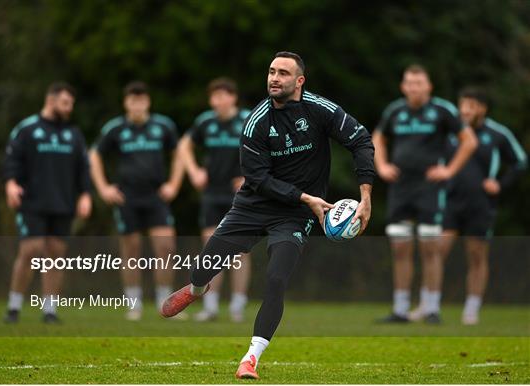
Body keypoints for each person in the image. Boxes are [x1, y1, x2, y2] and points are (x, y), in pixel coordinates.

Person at [160, 51, 376, 379]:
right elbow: (258, 180)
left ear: (299, 81)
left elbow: (360, 140)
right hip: (254, 204)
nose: (274, 78)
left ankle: (251, 357)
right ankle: (196, 290)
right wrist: (307, 197)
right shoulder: (257, 121)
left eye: (283, 73)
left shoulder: (320, 110)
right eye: (272, 72)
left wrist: (365, 196)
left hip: (295, 215)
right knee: (203, 268)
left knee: (276, 278)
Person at [372, 64, 477, 324]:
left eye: (419, 83)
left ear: (428, 86)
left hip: (429, 189)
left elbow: (469, 140)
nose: (414, 87)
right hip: (400, 188)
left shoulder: (442, 110)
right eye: (410, 83)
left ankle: (431, 308)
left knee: (431, 249)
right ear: (403, 86)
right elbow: (377, 137)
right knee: (400, 249)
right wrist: (382, 166)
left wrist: (449, 170)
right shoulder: (395, 111)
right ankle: (400, 309)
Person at [90, 81, 183, 321]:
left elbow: (179, 154)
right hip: (127, 197)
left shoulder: (163, 126)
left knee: (165, 247)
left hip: (156, 196)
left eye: (141, 100)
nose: (137, 104)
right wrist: (103, 188)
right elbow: (94, 155)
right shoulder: (116, 128)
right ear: (126, 103)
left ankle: (166, 302)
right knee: (131, 249)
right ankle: (134, 303)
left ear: (148, 102)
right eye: (133, 100)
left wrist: (173, 183)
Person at [3, 82, 92, 324]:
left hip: (63, 203)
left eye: (71, 103)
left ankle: (49, 310)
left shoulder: (73, 134)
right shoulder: (27, 129)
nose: (69, 108)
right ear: (51, 100)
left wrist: (85, 194)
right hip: (32, 202)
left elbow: (83, 168)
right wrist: (10, 183)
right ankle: (13, 307)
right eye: (65, 103)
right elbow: (12, 159)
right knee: (30, 251)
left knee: (56, 254)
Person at [441, 87, 527, 325]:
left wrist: (500, 184)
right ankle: (429, 305)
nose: (465, 110)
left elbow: (520, 162)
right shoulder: (451, 132)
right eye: (462, 105)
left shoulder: (497, 134)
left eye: (470, 105)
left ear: (482, 108)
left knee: (476, 255)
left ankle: (472, 308)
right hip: (449, 201)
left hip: (480, 204)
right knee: (437, 251)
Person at [178, 77, 251, 322]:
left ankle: (237, 306)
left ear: (233, 98)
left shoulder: (247, 120)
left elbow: (268, 151)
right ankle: (210, 306)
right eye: (214, 96)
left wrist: (249, 177)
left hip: (241, 196)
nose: (218, 101)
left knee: (240, 252)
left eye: (223, 95)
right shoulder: (205, 122)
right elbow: (184, 145)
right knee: (212, 248)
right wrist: (194, 171)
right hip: (212, 193)